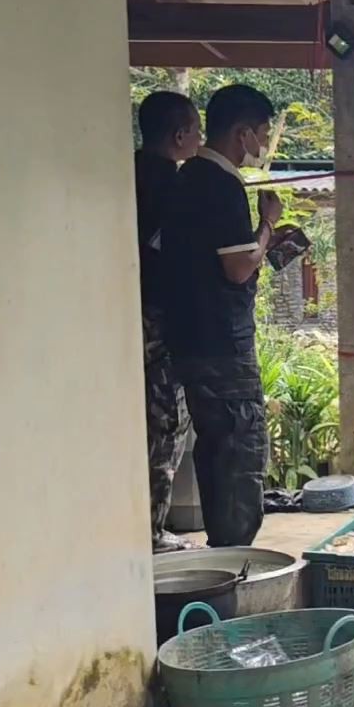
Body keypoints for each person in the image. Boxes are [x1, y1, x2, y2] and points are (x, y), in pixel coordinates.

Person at [160, 84, 282, 547]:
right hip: (223, 342)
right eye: (263, 133)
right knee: (239, 445)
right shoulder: (222, 184)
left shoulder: (183, 178)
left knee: (214, 445)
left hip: (187, 336)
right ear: (243, 132)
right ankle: (235, 555)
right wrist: (268, 225)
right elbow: (237, 267)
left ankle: (223, 550)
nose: (263, 143)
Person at [135, 91, 202, 552]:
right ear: (179, 136)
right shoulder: (172, 187)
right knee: (166, 424)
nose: (199, 139)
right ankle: (152, 532)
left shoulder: (124, 172)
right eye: (196, 130)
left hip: (124, 314)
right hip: (158, 321)